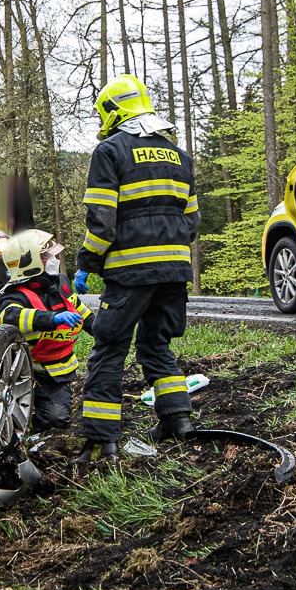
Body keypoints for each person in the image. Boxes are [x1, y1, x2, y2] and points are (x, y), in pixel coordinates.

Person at [71, 75, 200, 465]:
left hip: (130, 273)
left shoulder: (110, 151)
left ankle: (101, 440)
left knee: (110, 347)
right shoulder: (179, 155)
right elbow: (192, 223)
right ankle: (177, 420)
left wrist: (86, 263)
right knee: (156, 344)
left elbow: (102, 221)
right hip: (176, 271)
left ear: (112, 110)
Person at [0, 229, 91, 430]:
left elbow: (80, 311)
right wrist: (51, 318)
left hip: (56, 378)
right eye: (47, 255)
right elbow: (10, 316)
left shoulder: (60, 283)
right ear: (30, 262)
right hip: (23, 376)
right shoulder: (15, 296)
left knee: (56, 420)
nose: (53, 258)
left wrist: (104, 330)